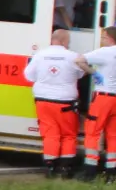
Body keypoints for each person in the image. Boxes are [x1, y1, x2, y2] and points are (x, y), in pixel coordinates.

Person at [74, 25, 116, 183]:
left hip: (103, 98)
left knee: (92, 132)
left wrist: (94, 73)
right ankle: (111, 173)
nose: (101, 40)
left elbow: (79, 60)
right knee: (112, 135)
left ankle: (90, 171)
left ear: (109, 38)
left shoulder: (105, 52)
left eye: (103, 37)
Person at [24, 29, 86, 177]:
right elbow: (81, 74)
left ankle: (50, 166)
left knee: (50, 134)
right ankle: (65, 167)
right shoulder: (73, 56)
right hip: (66, 102)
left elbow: (28, 76)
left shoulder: (40, 55)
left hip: (43, 101)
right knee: (68, 135)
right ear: (64, 41)